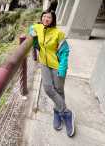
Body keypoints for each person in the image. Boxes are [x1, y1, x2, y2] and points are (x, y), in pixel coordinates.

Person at [29, 9, 75, 137]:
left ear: (53, 19)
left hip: (57, 66)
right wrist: (32, 33)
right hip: (44, 64)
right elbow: (31, 28)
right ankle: (66, 112)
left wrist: (62, 68)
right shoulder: (38, 27)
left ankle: (57, 112)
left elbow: (65, 52)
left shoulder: (58, 33)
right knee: (48, 88)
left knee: (59, 90)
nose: (46, 19)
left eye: (49, 17)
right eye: (44, 17)